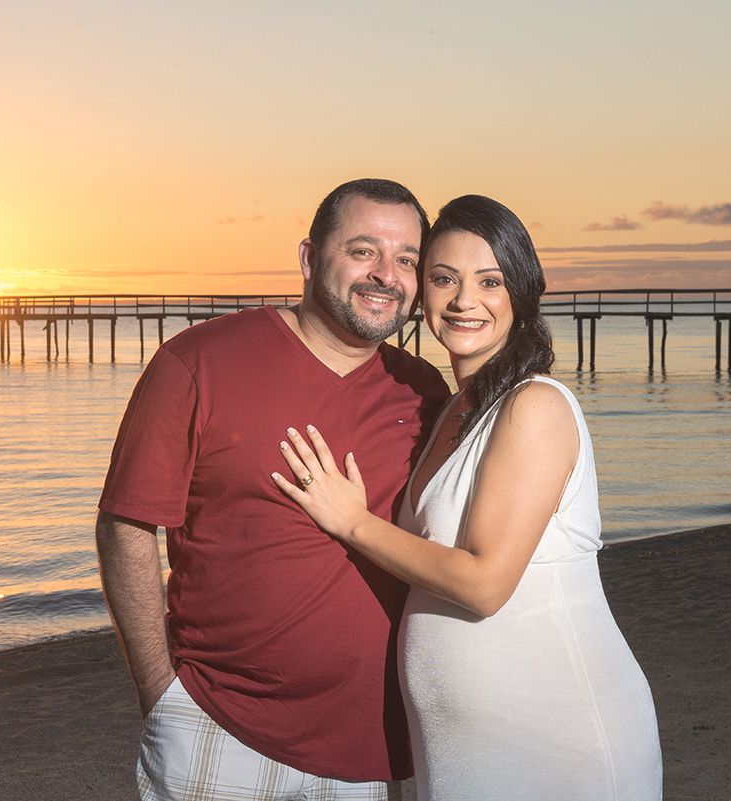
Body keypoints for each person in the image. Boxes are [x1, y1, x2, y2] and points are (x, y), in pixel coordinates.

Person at [273, 194, 664, 800]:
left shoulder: (536, 406)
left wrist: (352, 522)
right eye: (444, 279)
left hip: (555, 739)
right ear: (421, 292)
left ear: (521, 295)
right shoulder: (450, 410)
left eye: (490, 281)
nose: (463, 301)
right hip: (460, 750)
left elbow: (485, 584)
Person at [96, 179, 452, 800]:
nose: (386, 275)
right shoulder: (198, 362)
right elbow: (126, 525)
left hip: (379, 747)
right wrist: (159, 692)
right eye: (363, 250)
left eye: (406, 260)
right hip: (219, 731)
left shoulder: (423, 392)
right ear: (311, 258)